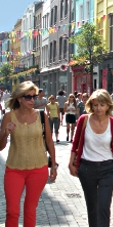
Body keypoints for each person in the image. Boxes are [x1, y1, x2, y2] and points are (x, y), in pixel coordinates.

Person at [0, 81, 57, 227]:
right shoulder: (8, 116)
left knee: (30, 210)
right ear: (19, 98)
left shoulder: (41, 115)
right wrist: (5, 133)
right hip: (14, 169)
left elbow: (49, 142)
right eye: (28, 97)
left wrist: (54, 166)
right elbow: (0, 147)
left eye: (34, 96)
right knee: (12, 211)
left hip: (38, 169)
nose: (33, 100)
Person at [68, 89, 113, 227]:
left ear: (108, 105)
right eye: (95, 105)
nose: (98, 108)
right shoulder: (84, 120)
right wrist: (71, 163)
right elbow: (75, 142)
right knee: (93, 207)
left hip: (107, 169)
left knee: (103, 206)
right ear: (91, 105)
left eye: (101, 105)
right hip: (86, 168)